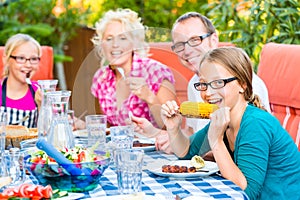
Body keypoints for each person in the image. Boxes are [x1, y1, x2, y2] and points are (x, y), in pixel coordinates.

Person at [160, 47, 300, 200]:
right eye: (203, 84)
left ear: (242, 84)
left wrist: (216, 141)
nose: (207, 93)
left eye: (218, 82)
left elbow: (246, 192)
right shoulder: (224, 118)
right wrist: (173, 128)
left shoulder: (255, 123)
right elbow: (186, 153)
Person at [132, 12, 270, 154]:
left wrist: (189, 149)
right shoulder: (195, 83)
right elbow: (193, 133)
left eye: (195, 40)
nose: (187, 51)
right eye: (180, 45)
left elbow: (250, 149)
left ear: (213, 39)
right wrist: (156, 133)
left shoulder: (243, 84)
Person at [90, 8, 176, 128]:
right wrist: (82, 125)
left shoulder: (156, 71)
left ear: (135, 42)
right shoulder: (101, 78)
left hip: (155, 145)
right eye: (109, 39)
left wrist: (149, 97)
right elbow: (108, 128)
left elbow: (172, 127)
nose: (115, 44)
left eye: (123, 38)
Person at [1, 33, 41, 128]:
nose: (28, 65)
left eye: (33, 59)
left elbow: (50, 134)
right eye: (21, 58)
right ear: (6, 59)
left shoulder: (40, 91)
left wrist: (43, 106)